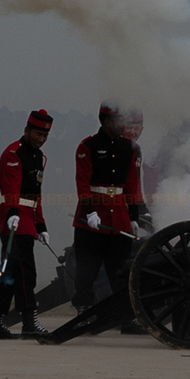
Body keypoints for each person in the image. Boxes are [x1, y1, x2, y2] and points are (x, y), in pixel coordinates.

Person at [0, 109, 54, 340]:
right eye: (37, 134)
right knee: (25, 272)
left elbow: (36, 195)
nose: (41, 139)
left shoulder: (38, 157)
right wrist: (13, 211)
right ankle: (29, 322)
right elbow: (10, 187)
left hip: (28, 219)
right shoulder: (14, 154)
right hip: (15, 220)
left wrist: (41, 225)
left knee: (9, 274)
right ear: (26, 130)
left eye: (44, 135)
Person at [71, 101, 145, 315]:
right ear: (106, 122)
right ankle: (84, 309)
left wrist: (133, 217)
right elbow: (82, 185)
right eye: (119, 121)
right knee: (87, 271)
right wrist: (90, 211)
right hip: (92, 218)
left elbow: (132, 185)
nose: (124, 125)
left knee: (121, 271)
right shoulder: (88, 147)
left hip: (118, 217)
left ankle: (125, 315)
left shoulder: (129, 148)